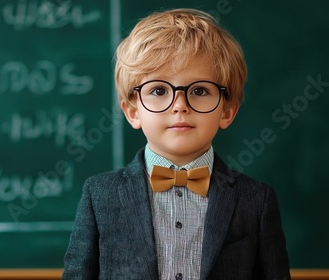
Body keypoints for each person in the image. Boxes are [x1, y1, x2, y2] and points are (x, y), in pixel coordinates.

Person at [62, 8, 290, 280]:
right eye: (159, 91)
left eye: (199, 91)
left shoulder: (256, 200)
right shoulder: (99, 195)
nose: (180, 106)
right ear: (133, 111)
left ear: (227, 111)